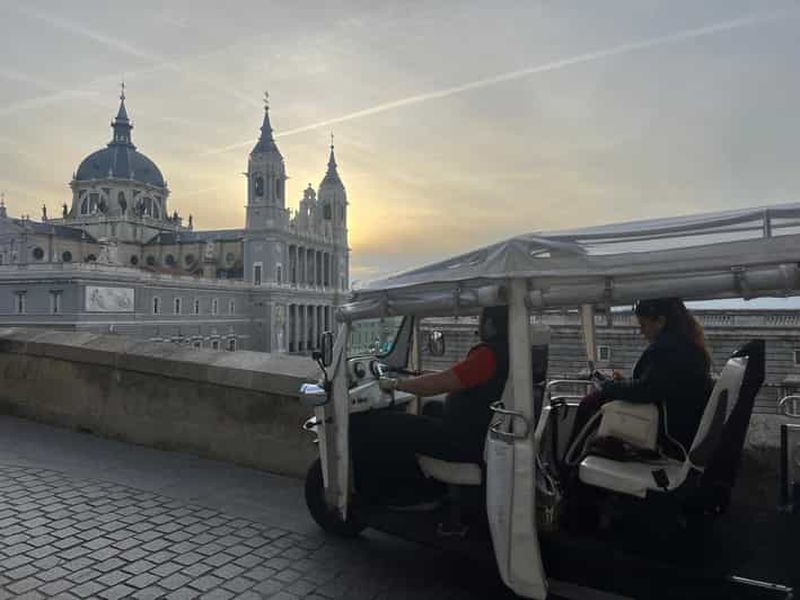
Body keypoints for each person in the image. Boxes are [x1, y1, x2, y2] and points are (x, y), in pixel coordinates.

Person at [350, 305, 509, 504]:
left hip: (461, 441)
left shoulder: (488, 355)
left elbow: (440, 383)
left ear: (490, 324)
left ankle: (381, 497)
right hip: (479, 431)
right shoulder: (510, 352)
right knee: (430, 409)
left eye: (481, 319)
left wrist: (396, 383)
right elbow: (452, 378)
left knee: (375, 424)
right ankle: (428, 488)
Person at [570, 298, 712, 457]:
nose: (641, 331)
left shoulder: (667, 350)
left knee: (590, 403)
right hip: (681, 426)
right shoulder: (688, 347)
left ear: (660, 321)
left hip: (666, 434)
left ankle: (571, 462)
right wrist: (624, 384)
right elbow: (659, 385)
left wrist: (609, 386)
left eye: (643, 325)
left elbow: (646, 390)